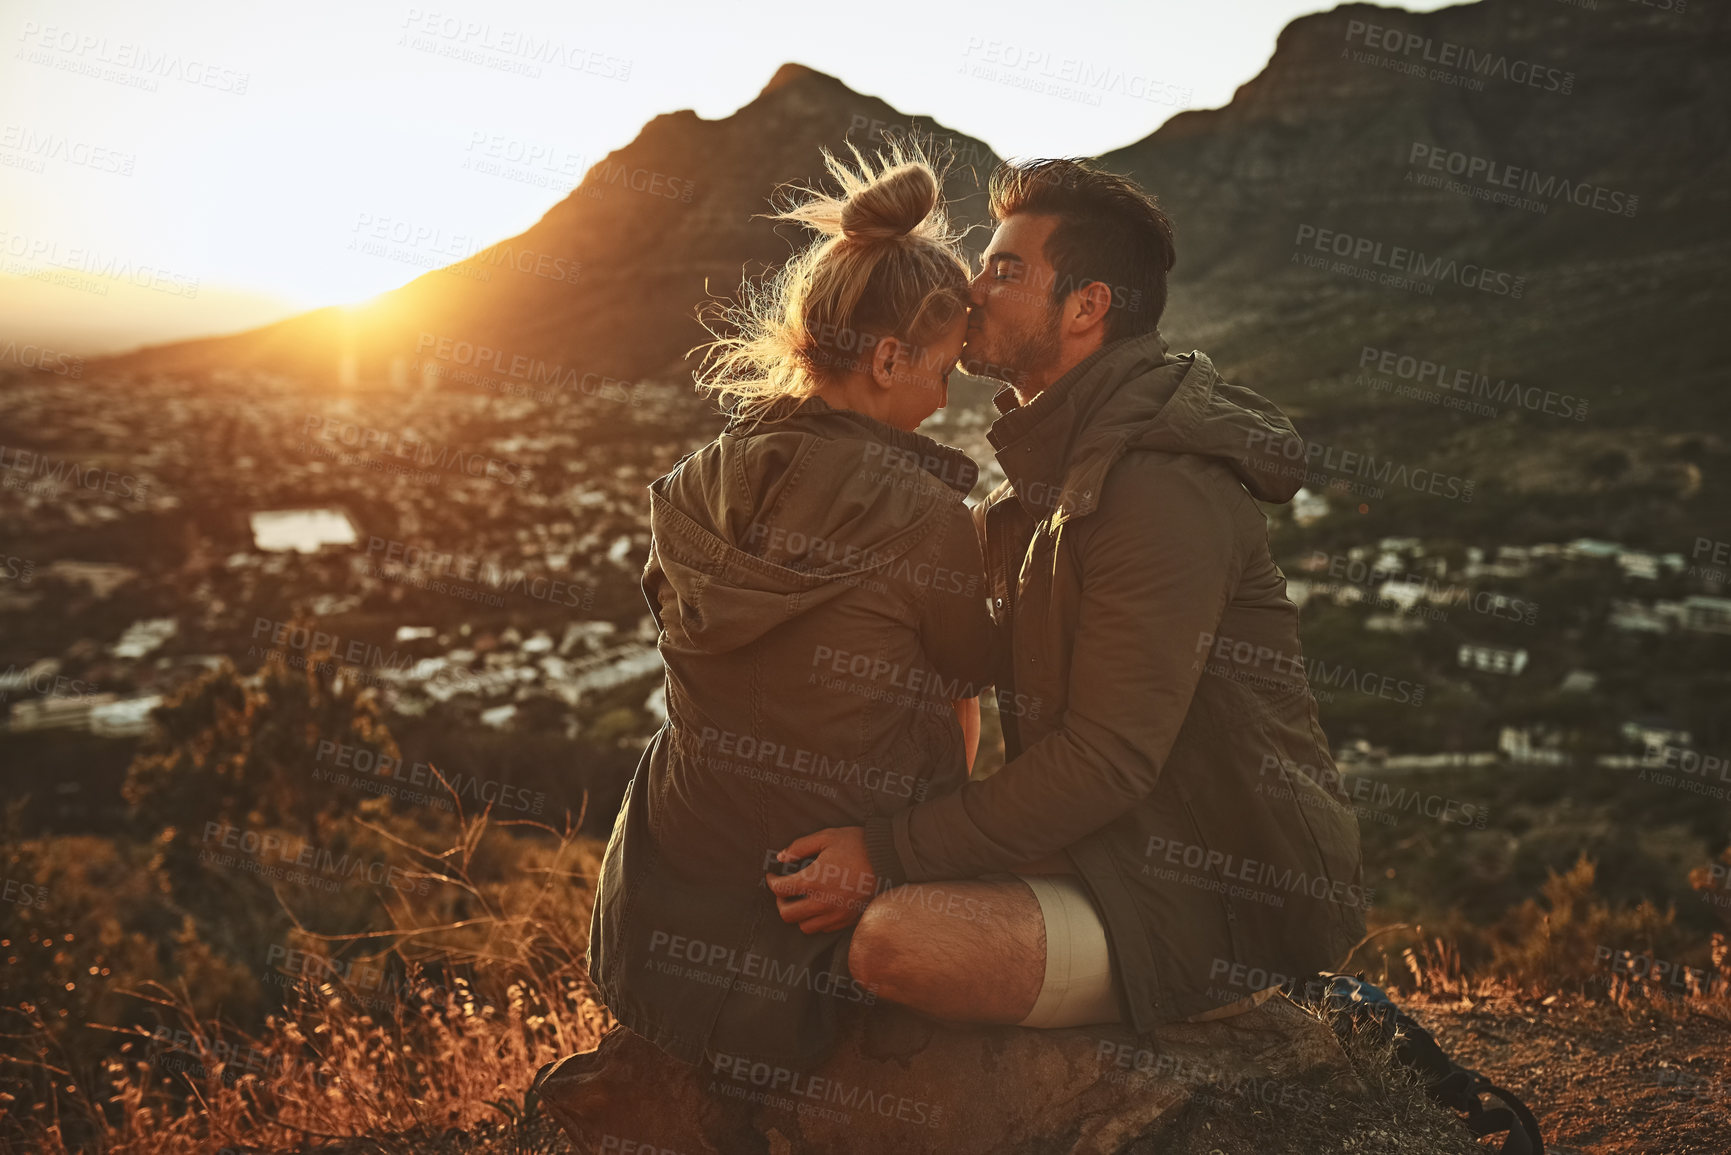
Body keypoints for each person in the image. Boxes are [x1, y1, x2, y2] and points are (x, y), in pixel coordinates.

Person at [768, 158, 1367, 1033]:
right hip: (1104, 856)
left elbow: (1107, 760)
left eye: (1004, 270)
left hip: (1213, 898)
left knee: (895, 940)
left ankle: (1289, 1008)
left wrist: (889, 851)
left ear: (1086, 307)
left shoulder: (1159, 487)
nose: (972, 292)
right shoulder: (1026, 494)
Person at [586, 146, 996, 1068]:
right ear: (889, 358)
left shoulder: (691, 485)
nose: (944, 394)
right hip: (829, 895)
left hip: (669, 893)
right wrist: (919, 848)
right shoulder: (931, 517)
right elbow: (961, 699)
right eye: (942, 369)